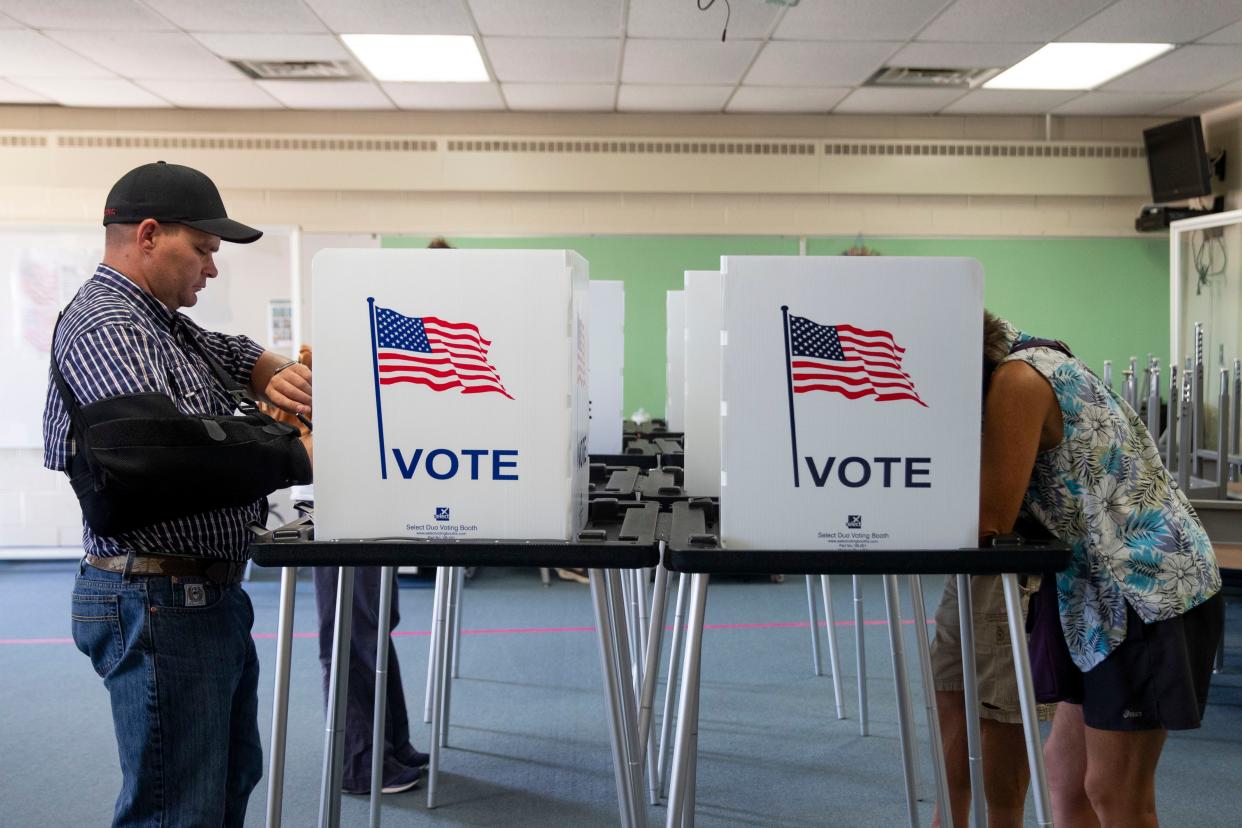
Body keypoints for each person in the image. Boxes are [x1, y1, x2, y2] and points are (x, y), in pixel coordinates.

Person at [43, 161, 314, 827]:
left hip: (199, 597)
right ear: (148, 235)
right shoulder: (110, 322)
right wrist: (294, 453)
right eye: (202, 250)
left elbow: (222, 349)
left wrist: (272, 371)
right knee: (176, 810)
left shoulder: (162, 322)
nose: (211, 269)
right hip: (158, 599)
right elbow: (160, 455)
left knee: (222, 784)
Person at [931, 311, 1223, 828]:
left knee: (1117, 793)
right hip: (1095, 596)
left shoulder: (1019, 380)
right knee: (1068, 783)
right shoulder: (1023, 359)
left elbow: (989, 520)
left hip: (1147, 588)